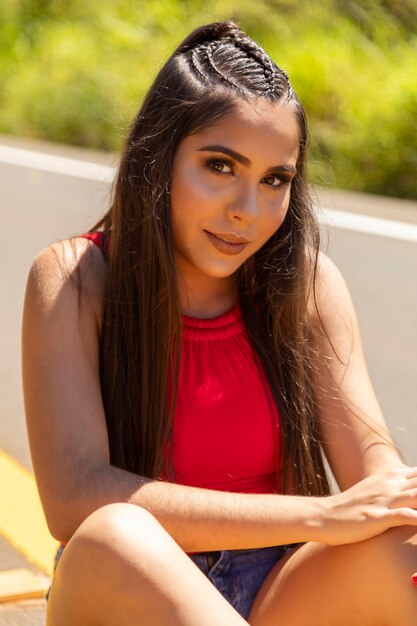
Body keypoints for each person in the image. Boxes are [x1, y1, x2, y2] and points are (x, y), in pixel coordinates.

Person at [22, 20, 417, 626]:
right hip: (130, 592)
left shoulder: (304, 287)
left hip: (280, 593)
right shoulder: (76, 279)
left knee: (405, 544)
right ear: (160, 155)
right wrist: (319, 516)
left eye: (275, 180)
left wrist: (390, 503)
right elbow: (74, 498)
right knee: (115, 534)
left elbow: (377, 476)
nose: (247, 211)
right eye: (220, 166)